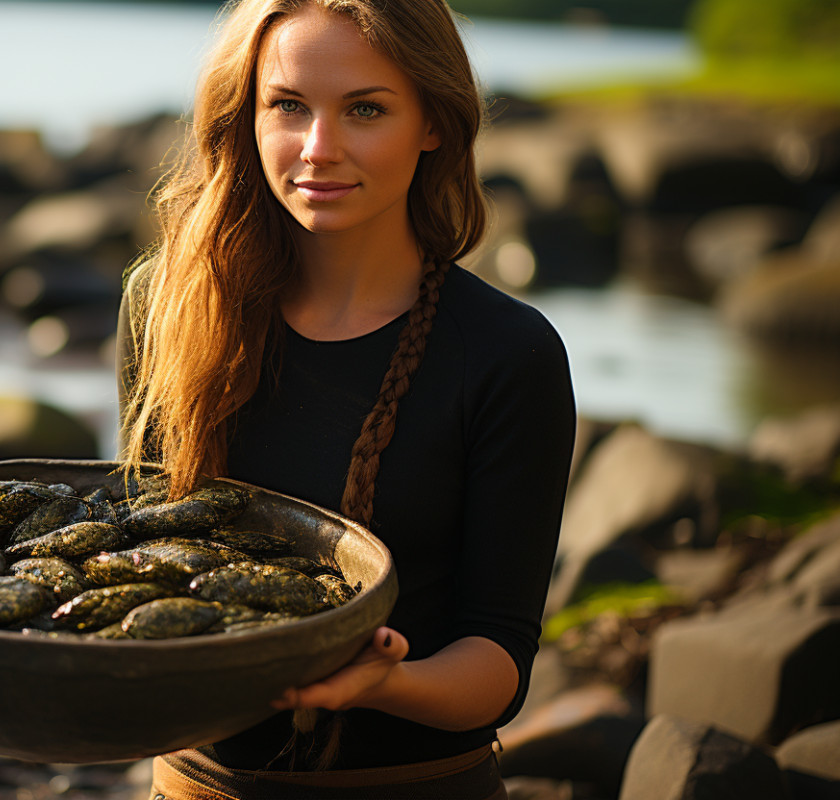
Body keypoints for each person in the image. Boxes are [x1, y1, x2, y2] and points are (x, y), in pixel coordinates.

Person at [115, 0, 576, 797]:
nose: (318, 148)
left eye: (365, 109)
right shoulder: (167, 307)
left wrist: (386, 683)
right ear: (246, 115)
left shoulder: (508, 354)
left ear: (433, 123)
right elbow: (130, 556)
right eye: (288, 105)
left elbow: (498, 661)